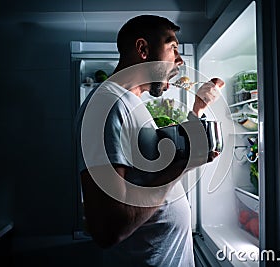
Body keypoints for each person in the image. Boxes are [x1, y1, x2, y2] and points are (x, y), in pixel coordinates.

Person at [75, 14, 225, 267]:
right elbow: (108, 230)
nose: (179, 60)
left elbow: (151, 173)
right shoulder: (105, 106)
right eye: (173, 48)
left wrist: (197, 109)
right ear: (143, 49)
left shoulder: (130, 103)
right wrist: (183, 166)